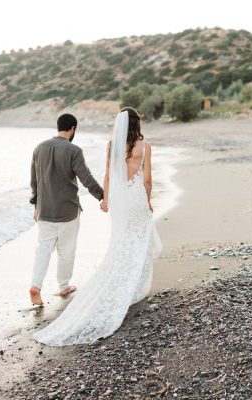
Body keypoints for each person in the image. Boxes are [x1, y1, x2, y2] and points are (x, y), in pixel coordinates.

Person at [32, 107, 162, 345]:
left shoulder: (111, 145)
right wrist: (147, 199)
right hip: (132, 198)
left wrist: (106, 199)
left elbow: (108, 175)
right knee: (138, 240)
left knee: (119, 240)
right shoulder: (146, 147)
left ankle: (39, 285)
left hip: (115, 201)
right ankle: (132, 286)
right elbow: (147, 179)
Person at [29, 113, 105, 306]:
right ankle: (63, 286)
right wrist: (103, 196)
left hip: (45, 209)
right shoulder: (74, 150)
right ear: (73, 129)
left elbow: (34, 180)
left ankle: (35, 286)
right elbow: (86, 178)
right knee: (66, 250)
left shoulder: (39, 148)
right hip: (67, 210)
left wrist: (36, 204)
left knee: (43, 249)